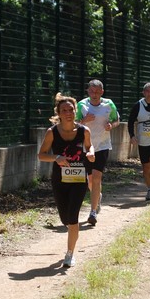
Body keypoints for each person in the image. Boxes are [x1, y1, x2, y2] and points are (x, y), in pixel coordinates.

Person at [38, 93, 95, 267]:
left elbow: (88, 146)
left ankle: (70, 253)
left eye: (71, 110)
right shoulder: (52, 133)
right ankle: (71, 233)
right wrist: (56, 158)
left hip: (79, 179)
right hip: (60, 180)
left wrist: (91, 152)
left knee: (72, 217)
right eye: (64, 110)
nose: (68, 113)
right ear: (59, 113)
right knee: (64, 218)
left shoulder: (84, 131)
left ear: (75, 111)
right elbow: (41, 155)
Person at [76, 79, 120, 226]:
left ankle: (93, 212)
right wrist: (84, 120)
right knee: (90, 180)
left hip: (102, 145)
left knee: (96, 177)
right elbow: (73, 125)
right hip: (86, 146)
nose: (94, 94)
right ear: (88, 91)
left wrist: (111, 126)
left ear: (102, 92)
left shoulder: (109, 104)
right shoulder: (81, 105)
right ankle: (97, 196)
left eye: (97, 91)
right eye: (91, 91)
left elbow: (117, 120)